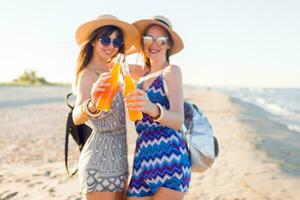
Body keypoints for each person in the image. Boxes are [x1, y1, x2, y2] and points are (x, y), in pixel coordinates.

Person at [72, 14, 138, 200]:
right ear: (93, 41)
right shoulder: (88, 74)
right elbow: (77, 116)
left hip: (120, 158)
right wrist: (92, 104)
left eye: (117, 42)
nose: (111, 46)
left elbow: (147, 61)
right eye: (105, 39)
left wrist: (122, 51)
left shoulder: (117, 71)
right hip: (99, 161)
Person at [125, 16, 191, 199]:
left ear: (169, 44)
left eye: (161, 40)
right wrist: (139, 43)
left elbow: (178, 120)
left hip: (170, 158)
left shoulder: (171, 71)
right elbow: (113, 60)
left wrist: (151, 108)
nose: (154, 44)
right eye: (148, 39)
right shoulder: (140, 73)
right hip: (142, 159)